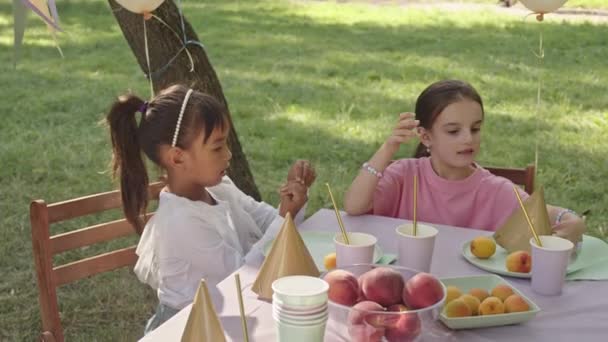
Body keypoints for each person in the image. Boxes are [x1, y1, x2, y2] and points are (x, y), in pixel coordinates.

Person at [105, 84, 316, 333]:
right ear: (177, 158)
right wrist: (285, 216)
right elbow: (242, 278)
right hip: (189, 329)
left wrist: (291, 203)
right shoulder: (180, 223)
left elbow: (265, 219)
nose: (228, 155)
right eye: (217, 147)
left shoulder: (219, 187)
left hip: (234, 314)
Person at [344, 79, 585, 244]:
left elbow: (543, 211)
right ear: (426, 136)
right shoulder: (405, 174)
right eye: (453, 131)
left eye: (476, 128)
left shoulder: (493, 189)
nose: (468, 139)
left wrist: (570, 218)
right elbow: (354, 206)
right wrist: (389, 147)